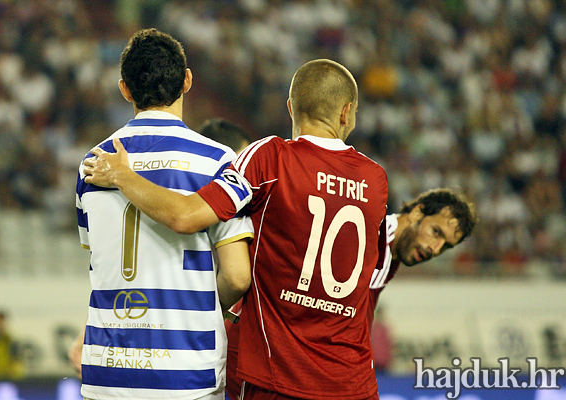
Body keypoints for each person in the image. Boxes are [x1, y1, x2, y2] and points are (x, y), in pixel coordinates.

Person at [83, 59, 388, 400]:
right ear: (347, 112)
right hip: (354, 381)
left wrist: (123, 175)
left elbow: (187, 216)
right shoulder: (375, 179)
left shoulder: (269, 158)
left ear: (290, 108)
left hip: (279, 377)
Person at [75, 28, 253, 400]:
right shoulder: (216, 161)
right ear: (187, 80)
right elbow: (237, 276)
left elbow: (99, 258)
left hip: (107, 370)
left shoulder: (93, 165)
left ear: (125, 89)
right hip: (186, 371)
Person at [225, 187, 477, 398]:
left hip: (275, 359)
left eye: (446, 246)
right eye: (436, 232)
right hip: (258, 355)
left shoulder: (389, 250)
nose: (435, 248)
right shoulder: (370, 238)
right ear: (417, 212)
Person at [0, 310, 24, 380]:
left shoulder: (10, 339)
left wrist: (12, 372)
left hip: (9, 376)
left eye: (1, 321)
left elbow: (16, 359)